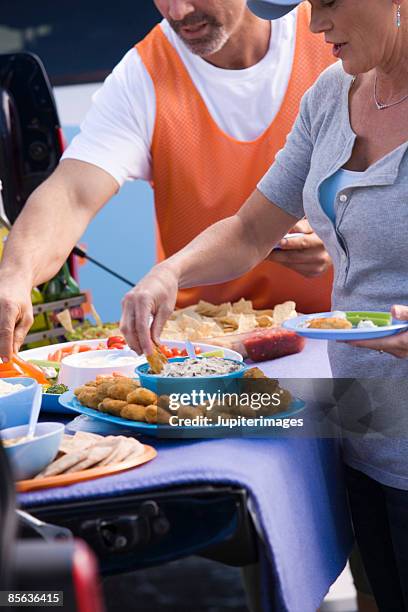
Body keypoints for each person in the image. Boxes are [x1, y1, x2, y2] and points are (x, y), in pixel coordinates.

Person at [121, 0, 408, 609]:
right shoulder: (333, 94)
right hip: (366, 430)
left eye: (329, 2)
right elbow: (252, 229)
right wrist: (169, 272)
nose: (313, 23)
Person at [0, 0, 335, 360]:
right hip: (201, 351)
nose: (177, 11)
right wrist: (14, 275)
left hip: (337, 334)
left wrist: (340, 239)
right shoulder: (144, 72)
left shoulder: (334, 35)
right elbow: (71, 194)